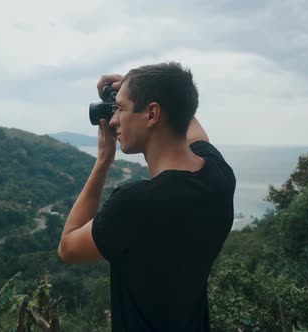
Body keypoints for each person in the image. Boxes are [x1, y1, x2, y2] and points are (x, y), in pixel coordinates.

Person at [58, 62, 235, 331]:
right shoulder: (218, 177)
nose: (114, 119)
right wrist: (136, 84)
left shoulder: (135, 204)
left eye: (121, 108)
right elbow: (182, 109)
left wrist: (103, 162)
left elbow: (68, 247)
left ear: (152, 113)